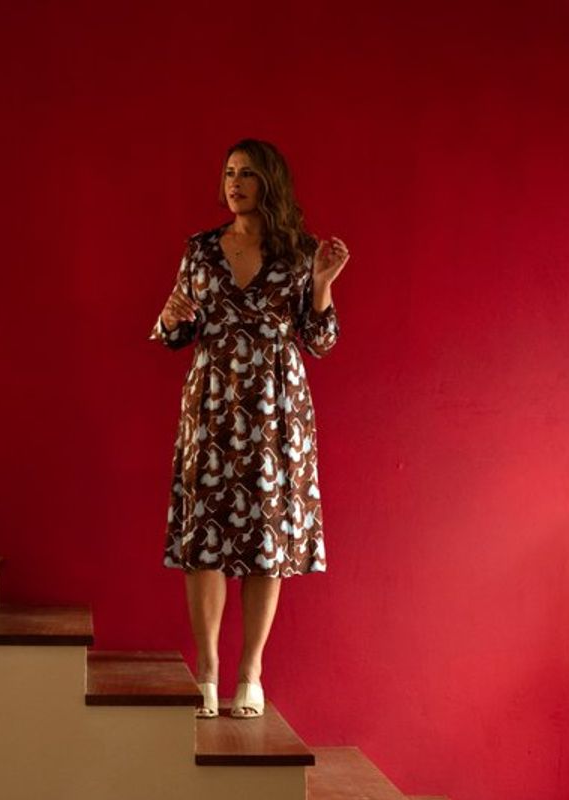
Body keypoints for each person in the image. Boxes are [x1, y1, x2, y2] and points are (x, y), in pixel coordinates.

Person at [149, 139, 349, 719]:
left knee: (266, 541)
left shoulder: (301, 252)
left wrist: (322, 283)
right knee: (204, 541)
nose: (235, 183)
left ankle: (251, 674)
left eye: (248, 174)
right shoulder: (200, 250)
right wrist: (167, 316)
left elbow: (320, 341)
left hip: (275, 408)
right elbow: (174, 332)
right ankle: (208, 673)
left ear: (270, 183)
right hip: (211, 404)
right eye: (230, 173)